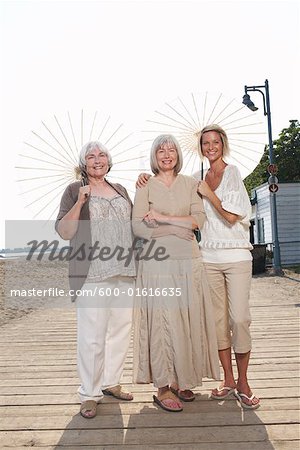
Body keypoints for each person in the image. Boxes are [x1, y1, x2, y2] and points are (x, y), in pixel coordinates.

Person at [132, 134, 220, 412]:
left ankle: (184, 380)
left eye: (171, 149)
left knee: (186, 320)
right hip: (156, 264)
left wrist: (162, 219)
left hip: (188, 262)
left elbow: (199, 222)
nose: (166, 154)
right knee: (160, 322)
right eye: (161, 150)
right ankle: (162, 387)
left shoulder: (191, 184)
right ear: (154, 156)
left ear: (178, 154)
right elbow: (137, 227)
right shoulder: (145, 185)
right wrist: (175, 228)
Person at [55, 141, 136, 419]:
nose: (97, 159)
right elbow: (65, 232)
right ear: (83, 163)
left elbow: (135, 225)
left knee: (120, 331)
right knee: (92, 336)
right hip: (92, 272)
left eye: (102, 155)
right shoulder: (73, 190)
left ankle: (111, 382)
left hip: (125, 270)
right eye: (91, 156)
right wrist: (80, 202)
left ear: (108, 161)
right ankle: (89, 393)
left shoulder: (121, 190)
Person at [197, 124, 260, 409]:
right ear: (201, 147)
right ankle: (229, 380)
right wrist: (146, 180)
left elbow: (231, 217)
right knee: (218, 323)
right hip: (208, 259)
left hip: (236, 257)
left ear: (223, 144)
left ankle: (244, 382)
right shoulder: (198, 177)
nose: (211, 147)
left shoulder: (232, 173)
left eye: (215, 142)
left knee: (239, 320)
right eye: (206, 143)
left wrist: (208, 194)